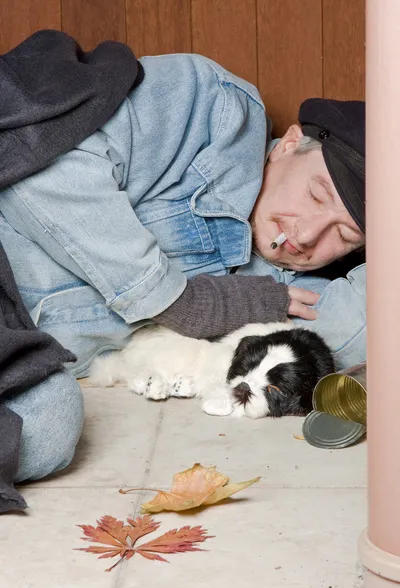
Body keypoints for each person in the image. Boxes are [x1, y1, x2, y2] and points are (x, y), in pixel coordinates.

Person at [0, 51, 365, 484]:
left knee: (47, 429)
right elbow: (41, 172)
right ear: (288, 145)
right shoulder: (212, 108)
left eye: (343, 236)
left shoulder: (287, 298)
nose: (307, 236)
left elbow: (374, 323)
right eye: (317, 195)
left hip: (14, 348)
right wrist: (181, 301)